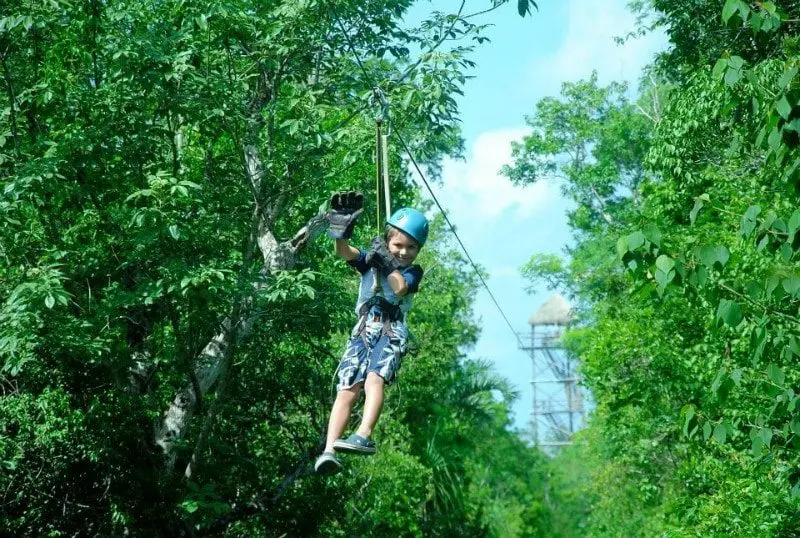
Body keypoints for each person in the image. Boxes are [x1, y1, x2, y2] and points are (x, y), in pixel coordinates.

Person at [315, 191, 428, 475]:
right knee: (347, 388)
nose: (403, 252)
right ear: (388, 241)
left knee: (374, 380)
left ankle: (363, 433)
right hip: (364, 328)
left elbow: (400, 286)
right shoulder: (372, 260)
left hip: (392, 330)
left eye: (411, 247)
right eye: (398, 245)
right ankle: (329, 450)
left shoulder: (413, 271)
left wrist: (386, 261)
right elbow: (344, 253)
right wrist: (341, 231)